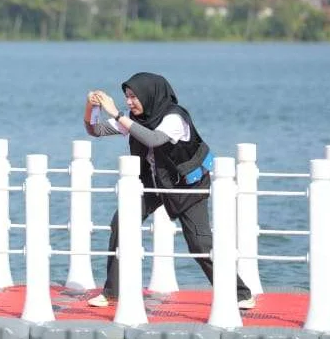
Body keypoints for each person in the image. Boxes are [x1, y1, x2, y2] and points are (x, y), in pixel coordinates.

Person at [82, 72, 255, 309]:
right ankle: (113, 291)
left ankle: (240, 293)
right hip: (153, 183)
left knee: (199, 244)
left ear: (149, 95)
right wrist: (92, 107)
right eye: (127, 97)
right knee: (121, 222)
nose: (129, 102)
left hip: (186, 185)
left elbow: (153, 139)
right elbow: (95, 131)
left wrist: (118, 114)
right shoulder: (135, 118)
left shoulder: (175, 118)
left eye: (134, 97)